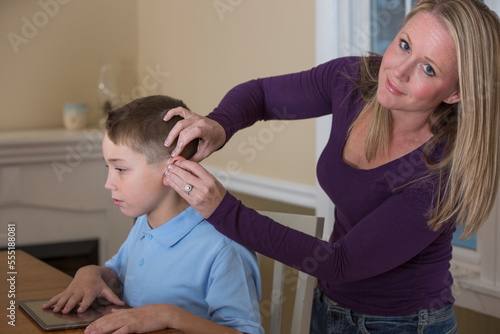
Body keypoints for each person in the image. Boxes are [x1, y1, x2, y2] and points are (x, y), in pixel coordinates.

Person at [161, 0, 500, 333]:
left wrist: (222, 209)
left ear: (455, 93)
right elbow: (262, 94)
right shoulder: (354, 80)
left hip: (404, 324)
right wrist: (219, 125)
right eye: (404, 45)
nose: (398, 71)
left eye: (428, 68)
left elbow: (341, 262)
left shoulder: (441, 173)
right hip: (328, 306)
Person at [43, 95, 264, 334]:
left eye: (121, 169)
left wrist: (170, 316)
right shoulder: (144, 224)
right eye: (109, 168)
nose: (109, 183)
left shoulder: (223, 248)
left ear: (174, 168)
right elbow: (117, 274)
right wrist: (90, 273)